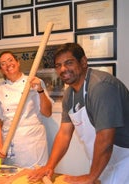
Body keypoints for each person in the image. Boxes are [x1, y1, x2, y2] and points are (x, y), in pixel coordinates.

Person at [29, 43, 129, 184]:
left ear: (83, 62)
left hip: (125, 159)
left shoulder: (101, 87)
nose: (63, 69)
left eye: (69, 63)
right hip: (103, 160)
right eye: (58, 65)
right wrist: (49, 166)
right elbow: (64, 133)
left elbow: (105, 139)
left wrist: (90, 177)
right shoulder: (70, 94)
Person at [0, 51, 53, 168]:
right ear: (1, 69)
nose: (8, 64)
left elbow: (47, 113)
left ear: (18, 62)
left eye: (10, 60)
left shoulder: (34, 82)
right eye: (3, 63)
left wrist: (40, 90)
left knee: (34, 178)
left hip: (32, 142)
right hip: (9, 143)